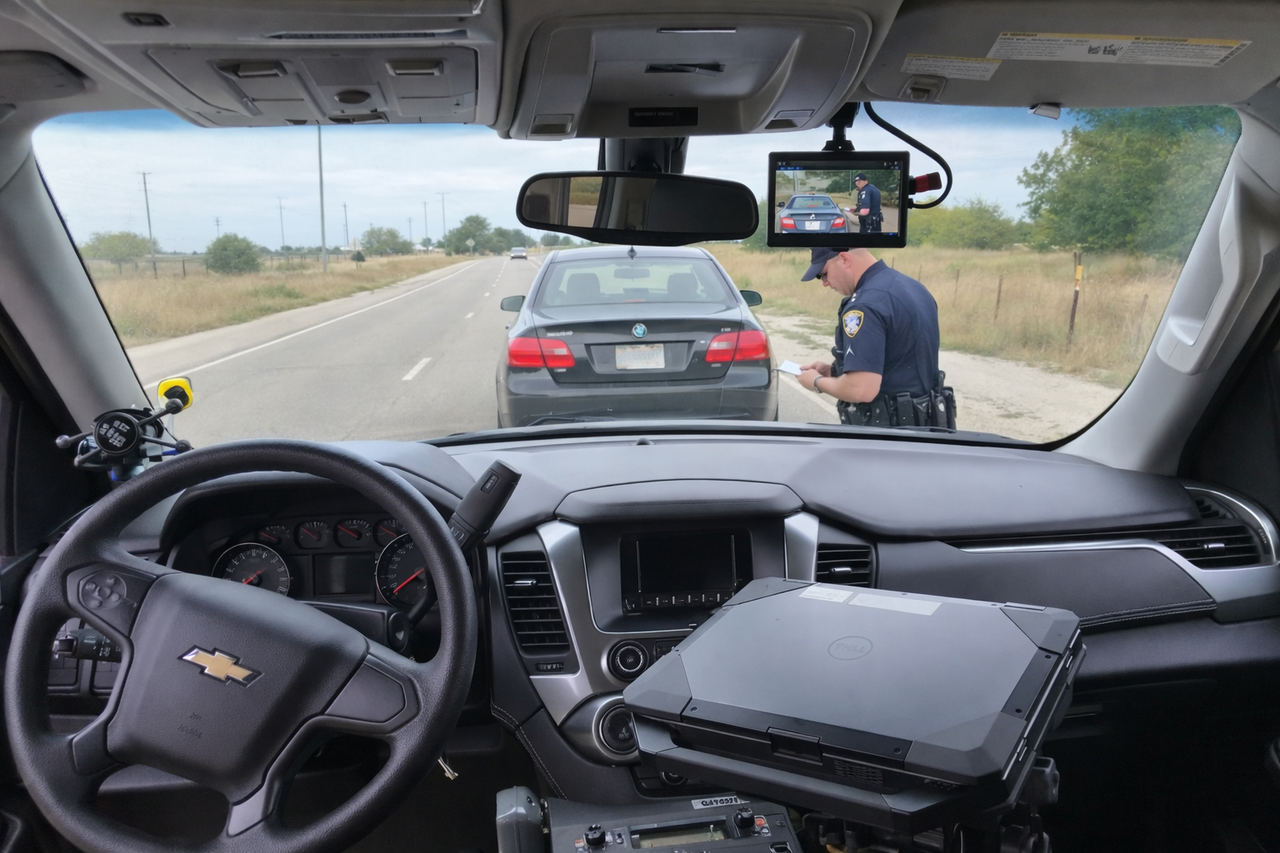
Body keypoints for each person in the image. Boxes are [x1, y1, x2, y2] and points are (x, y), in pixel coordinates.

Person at [797, 247, 954, 428]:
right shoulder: (913, 287)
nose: (824, 282)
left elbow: (861, 389)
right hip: (927, 427)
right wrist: (835, 372)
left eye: (823, 274)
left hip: (890, 436)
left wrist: (817, 382)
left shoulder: (865, 305)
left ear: (845, 259)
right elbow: (900, 357)